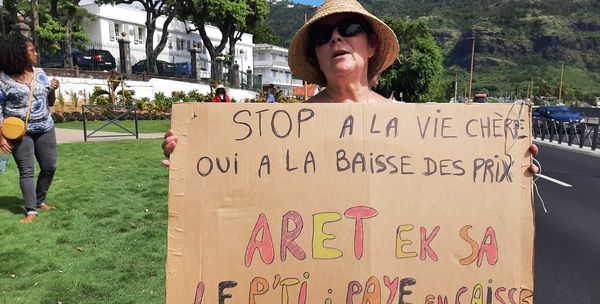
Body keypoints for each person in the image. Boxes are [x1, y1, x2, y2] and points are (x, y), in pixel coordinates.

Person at [162, 0, 537, 168]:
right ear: (316, 54)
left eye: (350, 29)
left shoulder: (413, 124)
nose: (336, 39)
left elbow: (451, 186)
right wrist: (193, 157)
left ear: (372, 44)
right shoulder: (286, 126)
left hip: (394, 274)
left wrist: (510, 167)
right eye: (323, 35)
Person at [0, 34, 60, 223]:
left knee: (49, 167)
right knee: (27, 171)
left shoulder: (40, 73)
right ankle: (31, 210)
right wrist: (2, 137)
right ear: (20, 54)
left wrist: (53, 91)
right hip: (20, 132)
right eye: (32, 51)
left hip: (45, 127)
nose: (36, 53)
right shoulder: (3, 79)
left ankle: (40, 200)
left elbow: (49, 102)